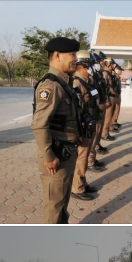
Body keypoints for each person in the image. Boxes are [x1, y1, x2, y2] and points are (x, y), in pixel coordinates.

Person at [30, 37, 81, 223]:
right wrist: (49, 156)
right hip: (56, 156)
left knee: (62, 205)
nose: (76, 59)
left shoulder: (63, 82)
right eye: (72, 54)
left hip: (66, 152)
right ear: (57, 55)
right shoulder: (51, 86)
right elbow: (39, 124)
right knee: (54, 209)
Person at [70, 52, 100, 201]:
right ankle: (77, 187)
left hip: (89, 123)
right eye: (90, 65)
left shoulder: (86, 81)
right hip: (82, 127)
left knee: (85, 156)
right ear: (82, 66)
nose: (93, 68)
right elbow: (76, 111)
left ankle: (83, 182)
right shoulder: (77, 83)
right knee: (81, 157)